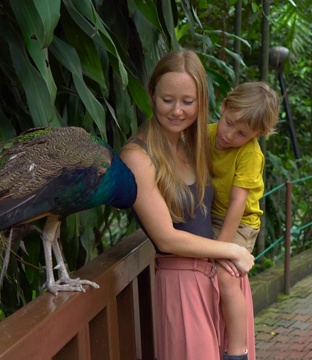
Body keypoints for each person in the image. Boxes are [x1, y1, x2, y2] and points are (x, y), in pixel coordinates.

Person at [120, 49, 255, 360]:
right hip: (183, 284)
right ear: (152, 94)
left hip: (221, 277)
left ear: (202, 101)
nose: (177, 111)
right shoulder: (138, 157)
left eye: (188, 101)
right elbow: (165, 237)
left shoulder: (196, 142)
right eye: (168, 100)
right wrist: (233, 250)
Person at [209, 82, 280, 360]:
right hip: (209, 213)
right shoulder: (205, 134)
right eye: (229, 124)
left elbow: (239, 203)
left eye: (242, 133)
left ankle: (237, 350)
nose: (230, 135)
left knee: (227, 276)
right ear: (224, 105)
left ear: (256, 135)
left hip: (240, 222)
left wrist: (222, 247)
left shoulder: (250, 154)